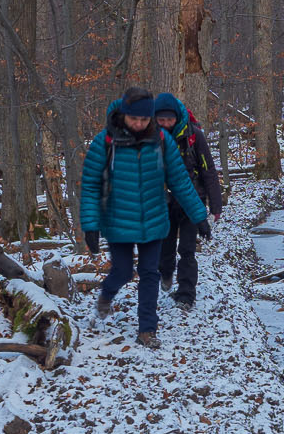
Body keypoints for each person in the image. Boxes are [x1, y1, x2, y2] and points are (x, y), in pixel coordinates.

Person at [79, 86, 210, 349]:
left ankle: (147, 329)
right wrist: (90, 226)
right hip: (118, 221)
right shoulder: (104, 142)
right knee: (123, 271)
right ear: (123, 114)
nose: (139, 124)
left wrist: (199, 216)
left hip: (153, 220)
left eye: (144, 119)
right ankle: (105, 297)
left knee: (150, 273)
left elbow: (181, 182)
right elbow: (90, 185)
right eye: (133, 119)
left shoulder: (162, 141)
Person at [152, 93, 224, 306]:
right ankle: (166, 273)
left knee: (187, 249)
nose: (165, 124)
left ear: (177, 117)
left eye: (169, 120)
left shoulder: (194, 136)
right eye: (161, 120)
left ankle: (186, 294)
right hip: (163, 203)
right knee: (165, 251)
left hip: (193, 200)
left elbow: (208, 170)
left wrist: (215, 204)